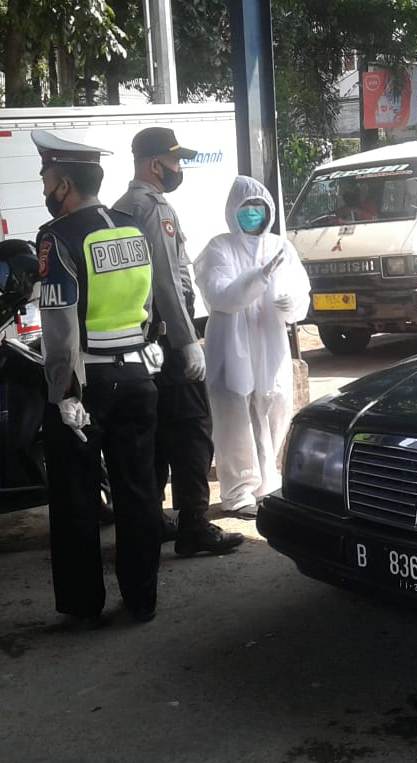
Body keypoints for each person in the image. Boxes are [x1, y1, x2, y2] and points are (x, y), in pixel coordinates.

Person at [31, 130, 162, 624]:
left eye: (46, 177)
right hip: (136, 377)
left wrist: (64, 392)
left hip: (86, 386)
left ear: (63, 184)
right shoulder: (132, 227)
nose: (45, 186)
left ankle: (85, 607)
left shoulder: (58, 236)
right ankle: (142, 598)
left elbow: (61, 327)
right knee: (138, 490)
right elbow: (147, 307)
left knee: (76, 498)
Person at [112, 127, 243, 557]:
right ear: (155, 165)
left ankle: (151, 522)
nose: (179, 169)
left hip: (139, 342)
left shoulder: (120, 207)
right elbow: (166, 280)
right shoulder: (154, 208)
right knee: (190, 432)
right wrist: (187, 341)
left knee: (153, 436)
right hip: (168, 342)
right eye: (175, 162)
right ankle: (194, 525)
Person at [194, 176, 310, 515]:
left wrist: (292, 305)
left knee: (274, 402)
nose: (253, 213)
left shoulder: (281, 246)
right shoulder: (218, 248)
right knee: (233, 412)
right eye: (246, 208)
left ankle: (266, 480)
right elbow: (222, 296)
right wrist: (258, 278)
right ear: (233, 211)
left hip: (269, 338)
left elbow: (301, 291)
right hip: (231, 342)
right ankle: (237, 490)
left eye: (259, 207)